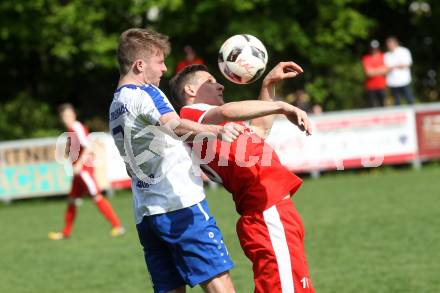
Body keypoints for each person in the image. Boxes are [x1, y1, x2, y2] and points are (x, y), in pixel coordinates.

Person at [109, 28, 241, 293]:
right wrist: (217, 131)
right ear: (139, 65)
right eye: (160, 62)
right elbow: (175, 126)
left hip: (146, 214)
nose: (164, 69)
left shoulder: (115, 104)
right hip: (180, 205)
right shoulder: (146, 93)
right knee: (218, 282)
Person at [171, 62, 315, 293]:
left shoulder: (222, 126)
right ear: (190, 91)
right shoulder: (191, 113)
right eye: (210, 81)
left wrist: (268, 84)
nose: (220, 85)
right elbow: (228, 110)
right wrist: (281, 107)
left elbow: (259, 129)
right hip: (265, 211)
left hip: (274, 210)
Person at [48, 104, 125, 240]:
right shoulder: (71, 130)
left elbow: (89, 146)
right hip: (79, 172)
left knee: (96, 196)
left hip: (84, 170)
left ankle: (117, 226)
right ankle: (65, 232)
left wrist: (78, 163)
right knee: (72, 200)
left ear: (73, 115)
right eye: (64, 116)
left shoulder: (76, 127)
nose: (66, 118)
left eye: (68, 115)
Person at [384, 36, 415, 105]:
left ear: (396, 43)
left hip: (404, 81)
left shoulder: (404, 51)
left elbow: (408, 64)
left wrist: (395, 66)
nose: (390, 46)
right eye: (388, 45)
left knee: (409, 99)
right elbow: (386, 68)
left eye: (391, 44)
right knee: (396, 102)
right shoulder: (386, 55)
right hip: (392, 82)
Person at [362, 40, 388, 107]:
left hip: (382, 86)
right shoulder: (366, 58)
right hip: (371, 87)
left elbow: (386, 70)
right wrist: (380, 69)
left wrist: (374, 70)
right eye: (372, 48)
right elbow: (368, 73)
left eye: (376, 48)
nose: (374, 50)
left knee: (384, 105)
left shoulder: (384, 56)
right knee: (373, 106)